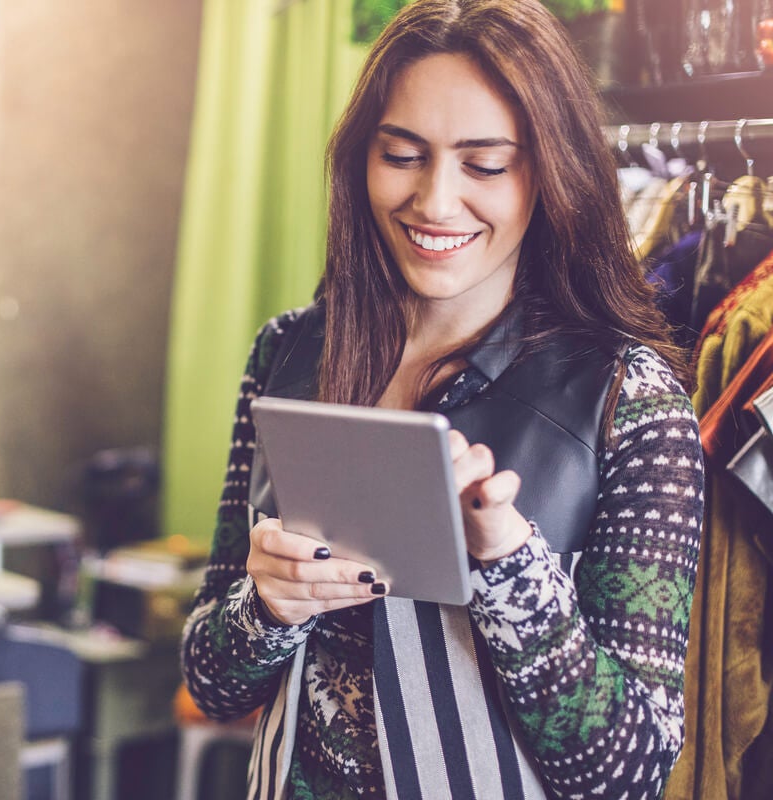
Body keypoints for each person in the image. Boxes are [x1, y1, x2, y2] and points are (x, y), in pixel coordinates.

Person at [179, 1, 704, 798]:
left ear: (550, 171)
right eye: (402, 154)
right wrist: (265, 609)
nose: (434, 200)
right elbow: (213, 684)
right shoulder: (289, 353)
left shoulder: (629, 402)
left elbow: (629, 771)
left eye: (484, 165)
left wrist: (508, 566)